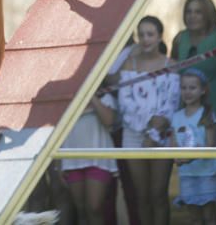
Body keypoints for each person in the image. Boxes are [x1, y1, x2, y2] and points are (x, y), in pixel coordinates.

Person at [171, 0, 216, 225]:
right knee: (192, 174)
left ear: (208, 14)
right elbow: (172, 74)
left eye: (198, 11)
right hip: (188, 117)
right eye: (189, 11)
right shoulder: (180, 40)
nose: (192, 16)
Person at [109, 15, 179, 225]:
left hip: (161, 135)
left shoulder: (170, 64)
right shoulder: (129, 65)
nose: (146, 39)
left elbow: (172, 101)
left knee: (158, 194)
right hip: (133, 135)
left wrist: (155, 132)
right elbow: (125, 103)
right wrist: (148, 125)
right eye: (142, 35)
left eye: (150, 34)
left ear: (159, 37)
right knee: (142, 196)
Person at [171, 69, 216, 225]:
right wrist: (178, 158)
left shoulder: (207, 114)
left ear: (203, 90)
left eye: (192, 88)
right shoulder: (176, 117)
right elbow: (173, 145)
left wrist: (190, 157)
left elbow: (210, 145)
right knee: (194, 218)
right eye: (184, 88)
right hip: (187, 175)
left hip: (207, 174)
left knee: (210, 216)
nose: (187, 92)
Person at [59, 90, 119, 225]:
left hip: (99, 158)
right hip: (72, 159)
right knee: (81, 211)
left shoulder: (106, 97)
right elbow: (59, 130)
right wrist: (59, 162)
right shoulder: (66, 98)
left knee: (94, 208)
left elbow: (109, 120)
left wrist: (91, 95)